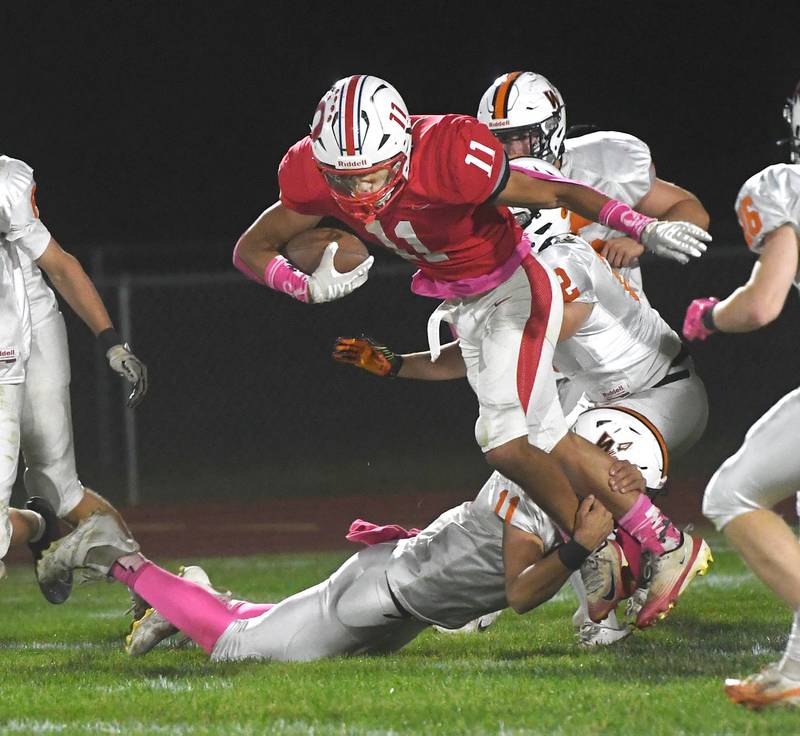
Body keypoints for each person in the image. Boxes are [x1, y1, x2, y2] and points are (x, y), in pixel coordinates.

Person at [232, 74, 711, 628]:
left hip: (647, 387)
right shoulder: (322, 172)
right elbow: (252, 247)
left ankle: (640, 549)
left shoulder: (551, 238)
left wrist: (643, 227)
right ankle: (612, 548)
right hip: (526, 343)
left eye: (374, 174)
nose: (362, 194)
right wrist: (317, 295)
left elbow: (560, 211)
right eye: (346, 178)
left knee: (523, 441)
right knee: (525, 462)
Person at [334, 162, 711, 640]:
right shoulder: (531, 270)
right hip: (611, 402)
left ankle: (665, 545)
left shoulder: (563, 261)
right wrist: (397, 365)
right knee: (532, 467)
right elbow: (488, 357)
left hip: (662, 394)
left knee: (549, 439)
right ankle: (606, 569)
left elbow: (531, 346)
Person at [37, 460, 643, 661]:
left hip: (400, 604)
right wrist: (580, 547)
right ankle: (114, 555)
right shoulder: (531, 486)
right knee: (238, 648)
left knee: (271, 625)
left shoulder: (543, 476)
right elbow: (519, 592)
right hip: (381, 594)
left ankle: (199, 595)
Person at [682, 81, 800, 709]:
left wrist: (709, 315)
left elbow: (760, 305)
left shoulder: (787, 188)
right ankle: (793, 673)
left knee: (732, 493)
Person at [0, 155, 147, 602]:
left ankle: (150, 592)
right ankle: (39, 526)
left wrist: (111, 340)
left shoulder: (6, 185)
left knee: (59, 487)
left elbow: (59, 265)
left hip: (19, 330)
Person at [477, 70, 711, 304]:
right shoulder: (481, 191)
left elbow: (690, 209)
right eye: (500, 140)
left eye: (521, 137)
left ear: (552, 129)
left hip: (619, 325)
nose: (512, 152)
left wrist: (642, 239)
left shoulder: (602, 168)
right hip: (529, 325)